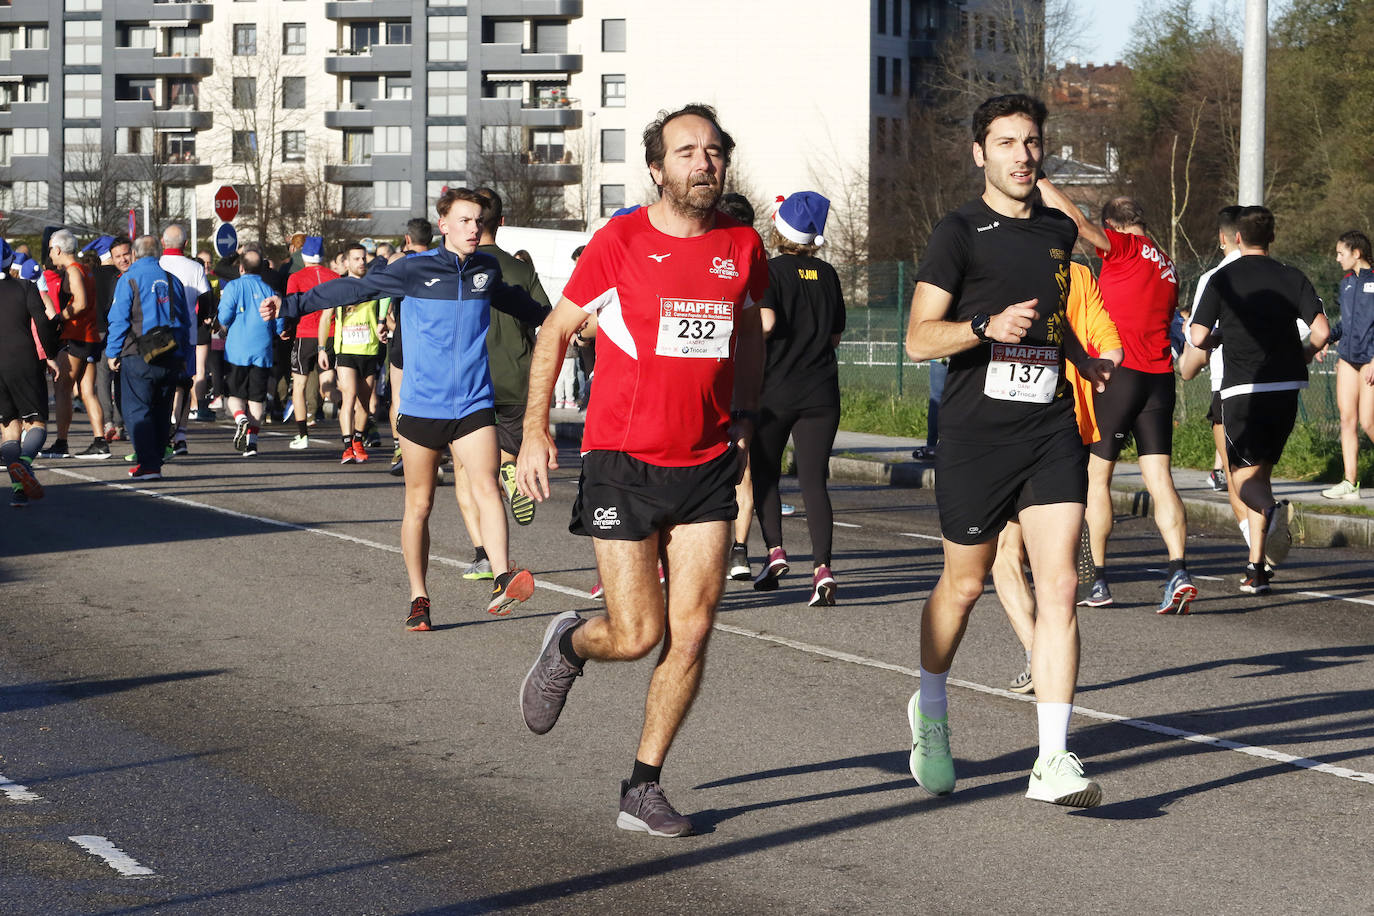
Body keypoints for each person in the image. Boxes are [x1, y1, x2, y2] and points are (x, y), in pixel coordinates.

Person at [515, 103, 768, 837]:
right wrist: (535, 433)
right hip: (623, 459)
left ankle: (643, 786)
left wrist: (745, 417)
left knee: (690, 634)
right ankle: (568, 642)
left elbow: (748, 325)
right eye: (686, 150)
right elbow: (557, 331)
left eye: (714, 149)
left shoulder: (743, 245)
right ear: (657, 169)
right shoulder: (621, 239)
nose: (704, 161)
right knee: (635, 635)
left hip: (707, 462)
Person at [903, 93, 1112, 808]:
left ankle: (1052, 759)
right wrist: (985, 325)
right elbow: (918, 337)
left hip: (1050, 427)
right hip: (976, 435)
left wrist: (1082, 360)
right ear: (979, 153)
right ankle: (931, 709)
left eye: (1031, 142)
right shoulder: (958, 231)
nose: (1023, 155)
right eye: (1006, 143)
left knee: (1058, 586)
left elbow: (1054, 316)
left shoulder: (1058, 231)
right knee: (963, 587)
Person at [261, 188, 546, 628]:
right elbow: (352, 288)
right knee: (420, 505)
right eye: (465, 221)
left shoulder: (485, 269)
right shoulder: (414, 269)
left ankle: (502, 576)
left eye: (478, 221)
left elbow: (517, 302)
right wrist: (291, 304)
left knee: (487, 484)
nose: (474, 228)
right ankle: (419, 598)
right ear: (444, 226)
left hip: (472, 402)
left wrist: (556, 317)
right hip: (421, 407)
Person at [1037, 181, 1193, 614]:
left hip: (1120, 375)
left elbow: (1079, 224)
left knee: (1097, 476)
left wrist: (1043, 180)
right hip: (1160, 379)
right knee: (1160, 478)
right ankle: (1178, 569)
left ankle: (1099, 580)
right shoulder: (1168, 265)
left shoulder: (1123, 247)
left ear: (1114, 226)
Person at [993, 260, 1122, 693]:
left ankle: (1037, 653)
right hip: (1073, 426)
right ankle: (1046, 655)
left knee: (1005, 555)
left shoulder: (1003, 264)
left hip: (1018, 422)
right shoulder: (1082, 275)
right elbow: (1111, 343)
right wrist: (1100, 365)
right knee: (1053, 568)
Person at [1189, 206, 1330, 593]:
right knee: (1261, 473)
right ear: (1271, 238)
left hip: (1243, 391)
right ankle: (1256, 568)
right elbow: (1321, 330)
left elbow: (1198, 337)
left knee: (1242, 480)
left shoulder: (1222, 279)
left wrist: (1218, 338)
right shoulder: (1292, 275)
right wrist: (1298, 356)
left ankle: (1272, 509)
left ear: (1237, 238)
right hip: (1287, 390)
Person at [748, 191, 847, 605]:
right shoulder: (828, 275)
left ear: (779, 229)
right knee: (813, 481)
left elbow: (767, 323)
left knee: (766, 473)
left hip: (775, 390)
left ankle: (775, 553)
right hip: (822, 390)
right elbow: (836, 336)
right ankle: (822, 568)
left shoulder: (769, 272)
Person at [450, 188, 551, 578]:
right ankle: (508, 470)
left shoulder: (458, 267)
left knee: (466, 470)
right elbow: (545, 319)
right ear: (503, 222)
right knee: (502, 453)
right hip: (517, 378)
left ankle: (481, 554)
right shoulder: (522, 270)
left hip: (470, 381)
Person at [1178, 207, 1251, 542]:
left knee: (1236, 474)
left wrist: (1186, 361)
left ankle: (1256, 543)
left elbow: (1198, 348)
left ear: (1224, 237)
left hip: (1229, 387)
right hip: (1275, 388)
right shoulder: (1284, 274)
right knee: (1260, 472)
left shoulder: (1213, 279)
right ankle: (1262, 538)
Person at [105, 235, 191, 481]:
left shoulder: (129, 278)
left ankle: (148, 463)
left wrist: (112, 352)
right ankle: (155, 459)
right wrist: (184, 354)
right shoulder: (173, 280)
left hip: (138, 353)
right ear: (159, 253)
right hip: (171, 353)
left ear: (134, 253)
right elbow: (185, 322)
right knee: (161, 410)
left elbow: (119, 318)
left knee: (136, 409)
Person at [0, 240, 59, 506]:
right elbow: (43, 322)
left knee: (8, 427)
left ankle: (18, 491)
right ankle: (24, 462)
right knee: (36, 422)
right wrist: (50, 355)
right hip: (22, 359)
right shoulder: (26, 286)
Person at [44, 229, 109, 459]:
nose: (50, 253)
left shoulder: (73, 271)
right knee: (87, 390)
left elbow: (80, 303)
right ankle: (100, 441)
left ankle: (61, 442)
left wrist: (59, 317)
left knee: (62, 388)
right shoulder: (85, 269)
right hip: (89, 336)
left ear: (59, 249)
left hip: (77, 336)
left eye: (51, 249)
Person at [1321, 231, 1374, 500]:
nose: (1337, 257)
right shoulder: (1346, 283)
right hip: (1347, 359)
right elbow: (1345, 324)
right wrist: (1326, 340)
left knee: (1368, 422)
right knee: (1347, 420)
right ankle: (1349, 482)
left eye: (1341, 252)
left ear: (1357, 253)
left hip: (1370, 360)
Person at [218, 247, 284, 457]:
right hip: (262, 349)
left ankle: (240, 419)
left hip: (237, 349)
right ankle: (252, 443)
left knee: (235, 395)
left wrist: (223, 326)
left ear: (241, 267)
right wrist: (280, 331)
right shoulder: (269, 289)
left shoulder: (233, 286)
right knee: (256, 398)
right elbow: (279, 319)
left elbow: (224, 317)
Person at [323, 242, 386, 464]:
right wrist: (323, 348)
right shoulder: (339, 287)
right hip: (346, 351)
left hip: (369, 350)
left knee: (366, 404)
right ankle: (347, 445)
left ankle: (358, 440)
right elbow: (325, 318)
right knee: (348, 397)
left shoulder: (373, 285)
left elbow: (384, 310)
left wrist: (385, 326)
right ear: (346, 262)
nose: (361, 262)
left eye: (363, 259)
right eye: (357, 259)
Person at [384, 218, 435, 477]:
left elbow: (385, 281)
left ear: (407, 239)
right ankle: (437, 447)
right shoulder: (441, 261)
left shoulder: (400, 261)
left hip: (405, 337)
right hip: (434, 341)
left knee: (399, 396)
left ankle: (400, 448)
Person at [159, 225, 212, 456]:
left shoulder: (156, 264)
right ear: (186, 244)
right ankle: (180, 436)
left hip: (156, 335)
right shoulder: (195, 267)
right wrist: (198, 321)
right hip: (187, 334)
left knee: (159, 384)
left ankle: (162, 433)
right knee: (182, 384)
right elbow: (208, 301)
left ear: (163, 242)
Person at [285, 237, 339, 450]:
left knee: (299, 386)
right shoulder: (334, 276)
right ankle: (358, 413)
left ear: (303, 255)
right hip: (331, 335)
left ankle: (302, 435)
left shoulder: (295, 277)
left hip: (304, 334)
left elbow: (291, 307)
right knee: (330, 388)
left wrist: (285, 329)